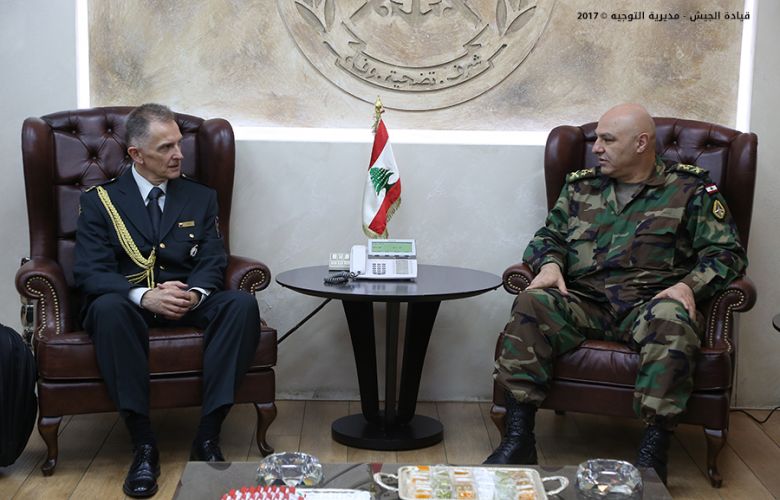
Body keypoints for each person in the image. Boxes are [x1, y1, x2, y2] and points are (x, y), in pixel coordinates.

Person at [485, 103, 747, 483]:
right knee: (532, 302)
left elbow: (726, 254)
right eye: (597, 140)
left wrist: (687, 286)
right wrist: (550, 264)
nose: (597, 148)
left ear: (641, 143)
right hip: (585, 302)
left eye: (608, 140)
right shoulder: (581, 187)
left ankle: (652, 456)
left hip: (650, 306)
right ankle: (518, 438)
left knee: (672, 320)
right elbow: (548, 237)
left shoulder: (690, 190)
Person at [74, 103, 261, 498]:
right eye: (166, 148)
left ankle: (208, 435)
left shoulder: (199, 196)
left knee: (240, 305)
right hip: (129, 304)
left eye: (178, 144)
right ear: (136, 154)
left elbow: (212, 258)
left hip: (185, 299)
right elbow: (89, 271)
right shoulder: (100, 201)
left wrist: (195, 293)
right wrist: (144, 296)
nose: (179, 154)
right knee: (107, 308)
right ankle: (143, 444)